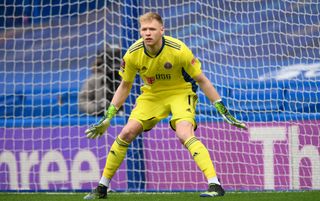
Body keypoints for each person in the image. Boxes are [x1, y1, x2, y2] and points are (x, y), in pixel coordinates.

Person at [84, 12, 246, 199]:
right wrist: (108, 118)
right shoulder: (133, 54)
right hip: (151, 95)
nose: (147, 33)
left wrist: (222, 109)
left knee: (184, 133)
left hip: (180, 92)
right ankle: (102, 188)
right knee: (127, 132)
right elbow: (125, 85)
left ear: (162, 30)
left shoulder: (178, 49)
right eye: (144, 29)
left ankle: (215, 185)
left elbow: (202, 80)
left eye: (152, 29)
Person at [78, 45, 122, 116]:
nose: (114, 62)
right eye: (110, 58)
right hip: (101, 117)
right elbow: (83, 100)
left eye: (117, 57)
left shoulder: (132, 78)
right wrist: (97, 108)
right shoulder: (95, 79)